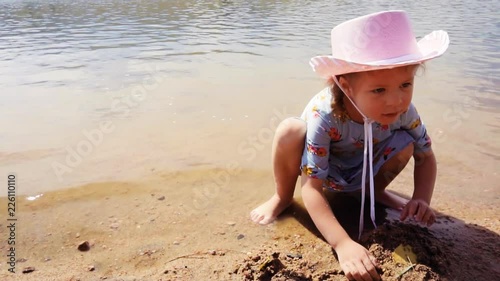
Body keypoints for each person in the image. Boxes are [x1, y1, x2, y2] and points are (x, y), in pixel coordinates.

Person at [250, 10, 449, 281]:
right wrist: (342, 244)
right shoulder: (326, 115)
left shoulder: (405, 112)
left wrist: (421, 200)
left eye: (405, 84)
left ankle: (372, 191)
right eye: (379, 90)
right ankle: (282, 197)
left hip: (363, 167)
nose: (396, 101)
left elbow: (426, 157)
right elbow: (311, 189)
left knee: (407, 142)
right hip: (323, 170)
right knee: (289, 130)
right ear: (346, 86)